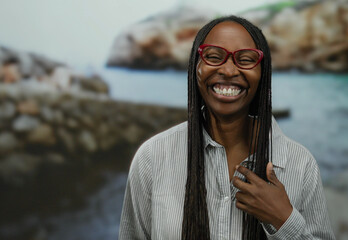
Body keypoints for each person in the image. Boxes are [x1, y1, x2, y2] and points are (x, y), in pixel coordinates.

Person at [119, 15, 335, 240]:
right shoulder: (152, 157)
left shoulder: (301, 165)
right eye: (213, 56)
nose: (229, 71)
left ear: (263, 73)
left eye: (246, 59)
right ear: (196, 66)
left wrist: (283, 220)